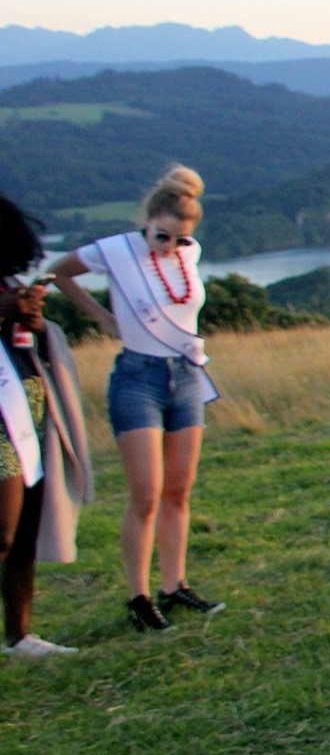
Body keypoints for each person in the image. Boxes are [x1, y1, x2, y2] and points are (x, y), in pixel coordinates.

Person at [49, 164, 223, 633]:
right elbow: (58, 272)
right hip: (136, 378)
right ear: (147, 220)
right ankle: (138, 596)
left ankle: (174, 584)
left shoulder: (189, 254)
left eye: (179, 239)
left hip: (185, 377)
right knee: (145, 494)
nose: (169, 246)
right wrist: (101, 317)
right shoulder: (115, 251)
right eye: (161, 236)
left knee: (178, 491)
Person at [2, 193, 94, 657]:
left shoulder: (9, 283)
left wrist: (35, 322)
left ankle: (19, 634)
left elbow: (30, 346)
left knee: (26, 527)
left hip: (31, 407)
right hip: (2, 423)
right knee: (3, 527)